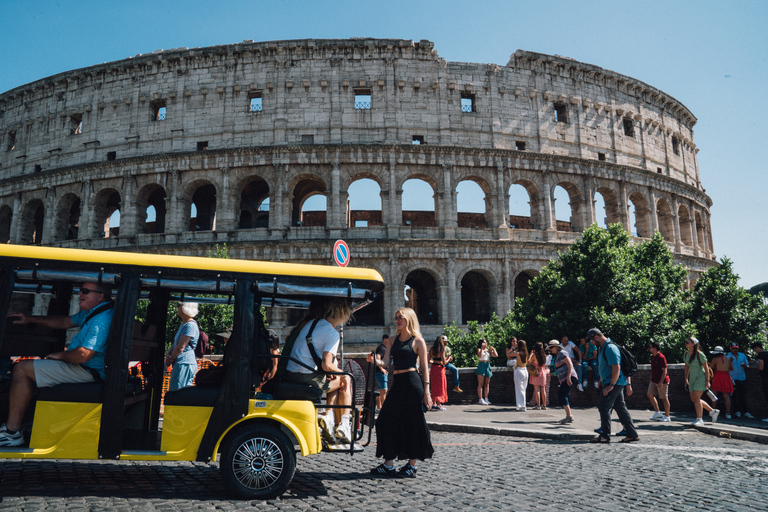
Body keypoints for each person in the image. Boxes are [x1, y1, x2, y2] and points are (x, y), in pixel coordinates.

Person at [0, 282, 114, 447]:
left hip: (87, 369)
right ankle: (24, 423)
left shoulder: (102, 319)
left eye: (85, 291)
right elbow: (64, 321)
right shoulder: (94, 312)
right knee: (27, 369)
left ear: (100, 295)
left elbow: (83, 355)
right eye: (79, 290)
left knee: (21, 369)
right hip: (86, 368)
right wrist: (30, 318)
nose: (79, 294)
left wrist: (59, 355)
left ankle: (12, 432)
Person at [371, 307, 433, 478]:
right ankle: (388, 464)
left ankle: (411, 465)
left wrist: (427, 392)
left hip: (413, 384)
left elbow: (425, 369)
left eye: (400, 318)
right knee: (384, 421)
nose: (397, 321)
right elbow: (385, 362)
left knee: (413, 423)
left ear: (409, 319)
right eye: (396, 317)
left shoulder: (418, 341)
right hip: (398, 384)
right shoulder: (392, 340)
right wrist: (375, 360)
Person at [284, 297, 354, 444]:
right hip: (304, 376)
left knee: (335, 378)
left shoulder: (311, 323)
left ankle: (330, 416)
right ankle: (344, 423)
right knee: (346, 379)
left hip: (292, 372)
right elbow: (327, 365)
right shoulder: (332, 333)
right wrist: (343, 374)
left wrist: (334, 371)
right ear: (343, 314)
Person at [587, 327, 638, 443]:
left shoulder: (610, 348)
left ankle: (605, 435)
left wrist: (611, 385)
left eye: (592, 340)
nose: (591, 343)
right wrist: (602, 379)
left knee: (603, 407)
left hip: (614, 383)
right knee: (621, 408)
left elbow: (616, 367)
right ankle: (632, 434)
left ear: (596, 337)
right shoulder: (604, 348)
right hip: (612, 382)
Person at [164, 301, 200, 391]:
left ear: (185, 308)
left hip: (184, 363)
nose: (177, 307)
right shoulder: (184, 324)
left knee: (177, 393)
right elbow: (176, 343)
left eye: (178, 305)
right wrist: (168, 354)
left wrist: (169, 360)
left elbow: (180, 347)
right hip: (181, 363)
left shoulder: (190, 325)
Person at [684, 336, 719, 426]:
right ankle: (712, 411)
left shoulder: (700, 354)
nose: (686, 343)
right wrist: (686, 378)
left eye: (688, 342)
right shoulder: (686, 354)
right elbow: (686, 366)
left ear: (693, 344)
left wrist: (707, 381)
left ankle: (699, 419)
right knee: (694, 399)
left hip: (700, 377)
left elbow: (706, 368)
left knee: (696, 398)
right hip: (692, 378)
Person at [549, 340, 577, 424]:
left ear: (555, 347)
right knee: (563, 395)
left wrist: (568, 377)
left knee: (562, 395)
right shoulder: (557, 355)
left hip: (569, 377)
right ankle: (569, 415)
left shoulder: (562, 353)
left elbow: (570, 364)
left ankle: (569, 416)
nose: (550, 349)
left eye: (551, 347)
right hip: (564, 378)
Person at [726, 342, 753, 419]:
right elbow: (724, 367)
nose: (735, 350)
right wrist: (729, 362)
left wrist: (745, 366)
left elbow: (748, 365)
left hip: (742, 377)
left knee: (743, 395)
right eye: (733, 348)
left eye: (736, 348)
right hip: (733, 378)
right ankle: (736, 411)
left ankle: (745, 411)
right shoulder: (727, 356)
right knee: (735, 396)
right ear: (730, 348)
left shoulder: (742, 355)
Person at [647, 342, 672, 422]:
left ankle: (667, 416)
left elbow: (664, 370)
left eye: (650, 347)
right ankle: (657, 412)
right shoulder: (652, 357)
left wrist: (661, 382)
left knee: (664, 398)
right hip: (654, 380)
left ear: (654, 348)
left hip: (662, 380)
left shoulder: (661, 357)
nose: (649, 348)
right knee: (650, 394)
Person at [366, 334, 389, 411]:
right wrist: (382, 369)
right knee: (384, 390)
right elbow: (378, 358)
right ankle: (384, 409)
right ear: (385, 339)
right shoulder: (382, 348)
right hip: (381, 372)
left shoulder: (383, 348)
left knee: (379, 390)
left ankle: (379, 408)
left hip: (380, 372)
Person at [709, 346, 733, 418]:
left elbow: (709, 367)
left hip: (718, 376)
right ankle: (728, 413)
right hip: (726, 376)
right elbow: (732, 368)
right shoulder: (727, 359)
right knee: (726, 396)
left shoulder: (715, 359)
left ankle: (713, 411)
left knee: (714, 395)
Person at [428, 336, 448, 411]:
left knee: (434, 386)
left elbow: (428, 360)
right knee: (440, 386)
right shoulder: (442, 350)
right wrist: (449, 359)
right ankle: (439, 404)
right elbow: (444, 362)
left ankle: (434, 403)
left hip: (433, 369)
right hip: (440, 369)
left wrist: (435, 361)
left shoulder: (432, 349)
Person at [476, 339, 498, 405]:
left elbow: (496, 355)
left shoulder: (488, 351)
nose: (485, 343)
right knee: (481, 383)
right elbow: (479, 356)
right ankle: (480, 399)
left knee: (487, 384)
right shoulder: (479, 349)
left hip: (487, 365)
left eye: (485, 342)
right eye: (483, 342)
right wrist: (482, 348)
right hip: (482, 364)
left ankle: (486, 398)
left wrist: (493, 349)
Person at [527, 342, 548, 410]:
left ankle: (538, 405)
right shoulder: (544, 355)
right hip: (543, 372)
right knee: (543, 389)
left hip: (536, 372)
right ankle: (544, 405)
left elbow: (528, 362)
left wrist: (531, 354)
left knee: (537, 389)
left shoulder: (534, 355)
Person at [750, 342, 768, 422]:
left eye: (754, 349)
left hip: (765, 377)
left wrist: (756, 364)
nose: (755, 351)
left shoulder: (761, 355)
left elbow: (761, 367)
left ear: (757, 348)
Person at [513, 340, 529, 411]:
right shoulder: (526, 353)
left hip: (519, 370)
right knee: (523, 389)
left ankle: (521, 406)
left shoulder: (517, 353)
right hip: (525, 370)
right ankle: (523, 405)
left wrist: (513, 348)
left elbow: (508, 354)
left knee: (519, 389)